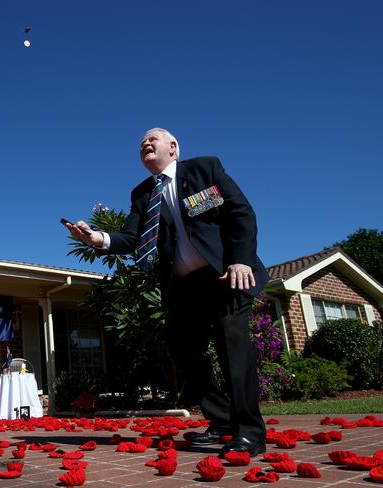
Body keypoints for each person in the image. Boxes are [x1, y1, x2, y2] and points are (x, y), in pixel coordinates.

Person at [64, 128, 269, 456]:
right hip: (185, 287)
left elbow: (239, 213)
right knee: (184, 351)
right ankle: (220, 422)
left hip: (226, 275)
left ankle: (249, 431)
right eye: (142, 142)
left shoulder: (204, 170)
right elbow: (132, 238)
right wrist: (97, 239)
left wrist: (240, 261)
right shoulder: (143, 193)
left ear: (173, 147)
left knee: (233, 349)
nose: (145, 143)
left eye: (153, 139)